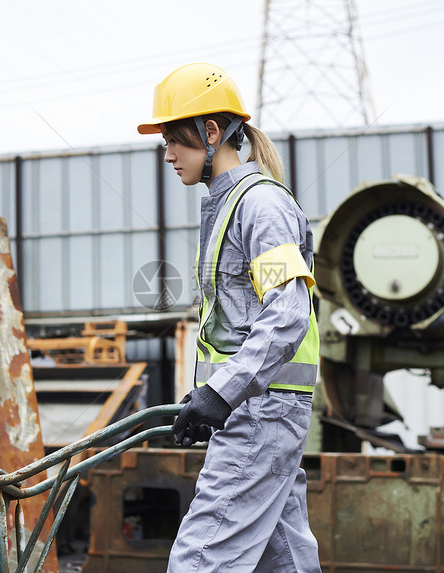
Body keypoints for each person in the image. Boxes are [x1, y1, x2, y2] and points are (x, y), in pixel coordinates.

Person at [137, 62, 321, 573]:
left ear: (212, 133)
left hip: (259, 412)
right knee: (285, 560)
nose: (169, 154)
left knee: (200, 560)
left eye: (176, 139)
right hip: (261, 408)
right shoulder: (231, 205)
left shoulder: (260, 206)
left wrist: (222, 391)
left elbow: (287, 313)